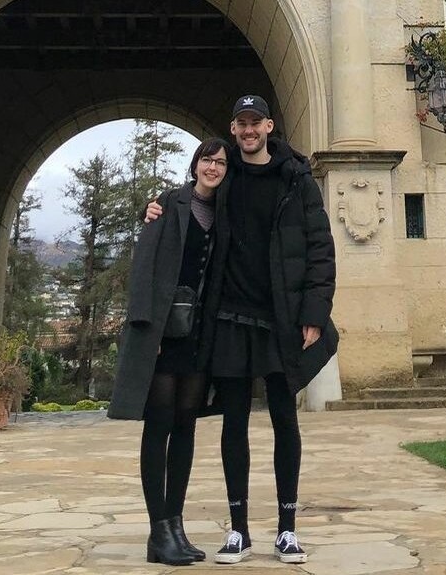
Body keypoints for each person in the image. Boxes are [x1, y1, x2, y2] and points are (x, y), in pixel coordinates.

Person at [145, 95, 337, 565]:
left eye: (256, 122)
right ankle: (239, 530)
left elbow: (320, 246)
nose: (248, 130)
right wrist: (155, 209)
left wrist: (314, 312)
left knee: (285, 420)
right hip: (229, 318)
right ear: (233, 129)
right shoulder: (225, 174)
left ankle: (287, 529)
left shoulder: (297, 178)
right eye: (241, 123)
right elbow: (192, 199)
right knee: (234, 424)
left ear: (269, 126)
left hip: (281, 318)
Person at [108, 137, 230, 567]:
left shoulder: (225, 212)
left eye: (220, 162)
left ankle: (175, 525)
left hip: (199, 334)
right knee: (158, 426)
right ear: (195, 165)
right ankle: (158, 529)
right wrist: (147, 327)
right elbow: (144, 265)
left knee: (185, 427)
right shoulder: (167, 203)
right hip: (163, 332)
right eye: (207, 160)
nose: (213, 167)